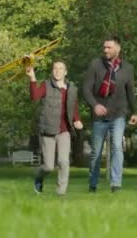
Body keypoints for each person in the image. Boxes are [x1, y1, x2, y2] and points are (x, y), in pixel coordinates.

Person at [83, 36, 137, 193]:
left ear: (117, 49)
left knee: (116, 147)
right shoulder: (95, 64)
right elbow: (86, 89)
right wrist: (95, 105)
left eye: (109, 47)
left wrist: (135, 111)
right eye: (104, 47)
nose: (105, 50)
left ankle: (116, 184)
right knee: (96, 152)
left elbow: (130, 92)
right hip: (99, 116)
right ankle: (92, 184)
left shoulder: (127, 68)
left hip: (118, 114)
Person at [27, 61, 83, 196]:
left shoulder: (72, 89)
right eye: (55, 69)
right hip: (48, 130)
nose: (57, 71)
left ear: (65, 72)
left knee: (64, 162)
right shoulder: (46, 85)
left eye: (60, 68)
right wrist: (32, 78)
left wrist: (77, 120)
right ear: (52, 71)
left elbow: (73, 107)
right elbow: (34, 96)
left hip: (64, 131)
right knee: (48, 166)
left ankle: (61, 193)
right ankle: (39, 178)